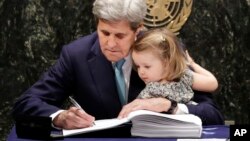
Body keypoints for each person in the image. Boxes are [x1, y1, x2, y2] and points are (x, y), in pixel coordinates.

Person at [12, 0, 224, 131]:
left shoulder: (163, 48)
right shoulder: (76, 55)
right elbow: (27, 103)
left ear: (138, 30)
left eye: (120, 35)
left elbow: (213, 115)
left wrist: (171, 106)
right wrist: (59, 117)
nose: (110, 44)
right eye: (104, 33)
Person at [129, 28, 218, 111]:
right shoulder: (148, 90)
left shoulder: (184, 77)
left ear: (166, 63)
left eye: (147, 66)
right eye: (138, 66)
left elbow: (212, 84)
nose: (141, 72)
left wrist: (193, 64)